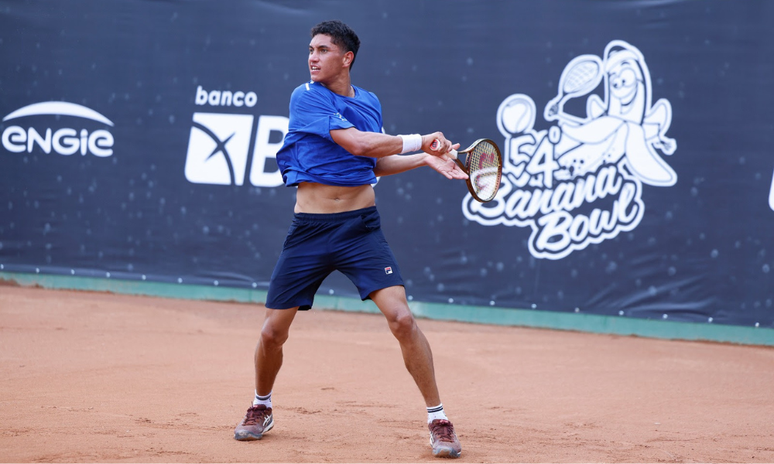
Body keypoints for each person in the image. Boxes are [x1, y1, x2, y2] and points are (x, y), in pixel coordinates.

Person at [233, 19, 465, 459]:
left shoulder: (370, 101)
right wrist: (423, 140)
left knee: (402, 319)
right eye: (310, 49)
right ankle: (260, 406)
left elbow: (372, 164)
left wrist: (423, 161)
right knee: (271, 333)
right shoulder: (305, 97)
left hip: (360, 229)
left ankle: (438, 419)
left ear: (347, 58)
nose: (312, 57)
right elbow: (359, 144)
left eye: (322, 50)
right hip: (309, 233)